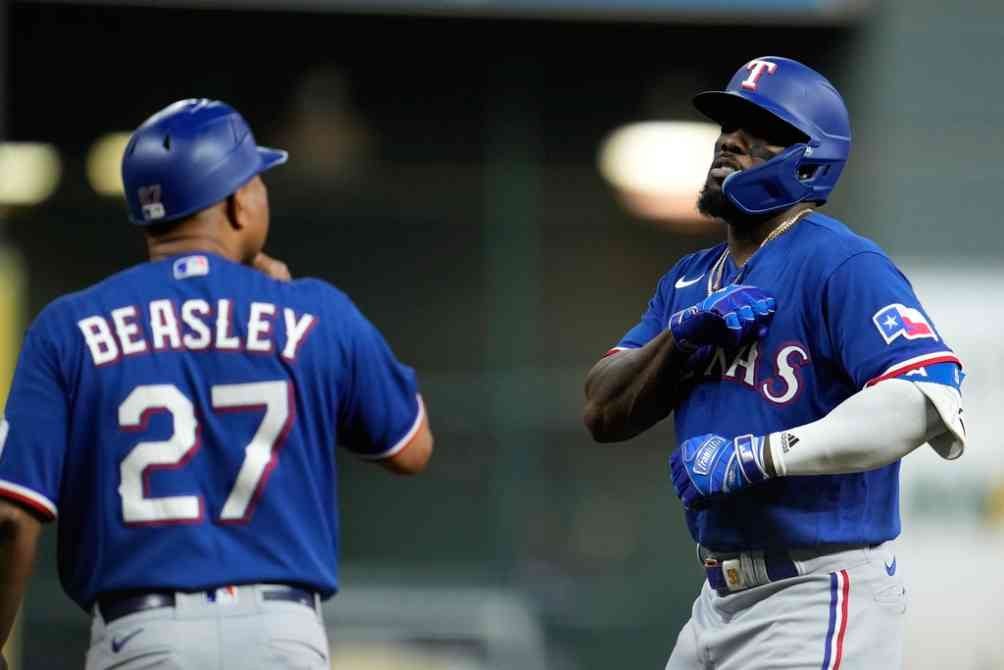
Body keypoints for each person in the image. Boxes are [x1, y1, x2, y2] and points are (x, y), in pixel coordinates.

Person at [0, 98, 433, 669]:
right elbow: (411, 447)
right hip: (284, 637)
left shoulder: (67, 328)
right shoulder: (316, 312)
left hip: (142, 639)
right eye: (257, 180)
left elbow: (11, 518)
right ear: (236, 204)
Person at [583, 57, 966, 669]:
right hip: (717, 598)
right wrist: (677, 342)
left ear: (809, 158)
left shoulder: (841, 263)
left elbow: (924, 398)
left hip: (816, 593)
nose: (729, 139)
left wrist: (760, 455)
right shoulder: (688, 281)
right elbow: (603, 410)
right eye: (729, 122)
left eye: (759, 127)